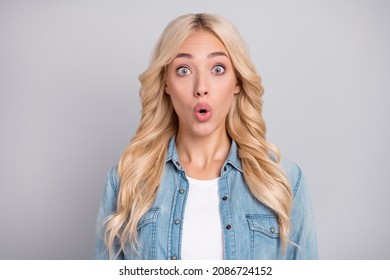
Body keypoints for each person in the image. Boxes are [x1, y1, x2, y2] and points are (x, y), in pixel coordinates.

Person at [95, 13, 318, 260]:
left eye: (218, 69)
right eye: (183, 70)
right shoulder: (125, 183)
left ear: (237, 82)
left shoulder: (284, 181)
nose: (201, 87)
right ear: (166, 83)